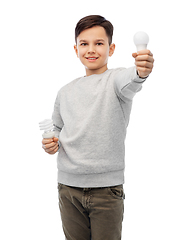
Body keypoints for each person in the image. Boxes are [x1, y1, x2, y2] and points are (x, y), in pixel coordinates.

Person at [42, 15, 154, 240]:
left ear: (111, 49)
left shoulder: (116, 81)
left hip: (106, 190)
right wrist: (50, 141)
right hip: (68, 188)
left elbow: (133, 78)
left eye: (99, 43)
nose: (91, 50)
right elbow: (56, 126)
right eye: (84, 44)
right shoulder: (65, 91)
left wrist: (142, 69)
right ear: (76, 49)